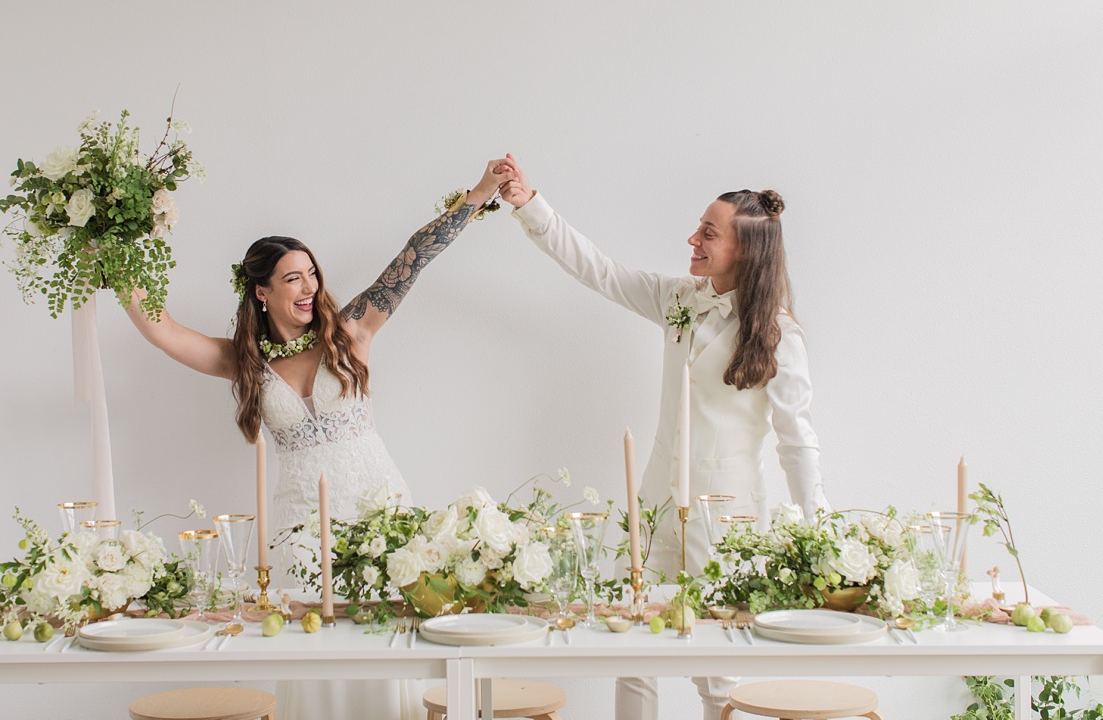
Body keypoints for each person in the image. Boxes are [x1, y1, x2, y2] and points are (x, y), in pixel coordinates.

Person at [124, 160, 512, 720]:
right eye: (292, 278)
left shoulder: (351, 332)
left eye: (312, 274)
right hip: (301, 526)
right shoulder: (246, 363)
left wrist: (477, 195)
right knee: (313, 648)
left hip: (380, 511)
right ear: (261, 293)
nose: (309, 288)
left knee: (385, 645)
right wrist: (112, 251)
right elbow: (162, 330)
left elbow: (414, 257)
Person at [496, 154, 828, 720]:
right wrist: (531, 207)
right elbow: (599, 270)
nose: (692, 238)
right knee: (632, 645)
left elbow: (795, 439)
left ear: (744, 250)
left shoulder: (779, 333)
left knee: (718, 664)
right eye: (699, 227)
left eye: (708, 232)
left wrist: (818, 530)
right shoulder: (680, 298)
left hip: (725, 516)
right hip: (654, 501)